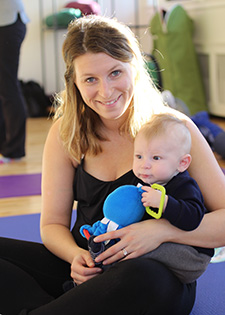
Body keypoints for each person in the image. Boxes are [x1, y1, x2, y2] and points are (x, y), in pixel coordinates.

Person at [1, 15, 225, 315]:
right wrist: (76, 258)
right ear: (75, 83)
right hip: (91, 263)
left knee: (140, 278)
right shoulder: (66, 133)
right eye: (90, 79)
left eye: (115, 72)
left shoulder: (175, 129)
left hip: (150, 273)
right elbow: (53, 226)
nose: (105, 92)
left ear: (135, 67)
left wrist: (161, 231)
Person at [132, 113, 213, 283]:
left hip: (191, 254)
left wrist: (164, 202)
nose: (144, 164)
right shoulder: (144, 182)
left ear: (182, 163)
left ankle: (105, 266)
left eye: (156, 158)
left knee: (133, 253)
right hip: (166, 246)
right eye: (139, 156)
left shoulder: (184, 185)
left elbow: (193, 218)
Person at [0, 0, 29, 164]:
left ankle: (14, 150)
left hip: (7, 24)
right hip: (6, 23)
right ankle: (5, 146)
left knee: (7, 87)